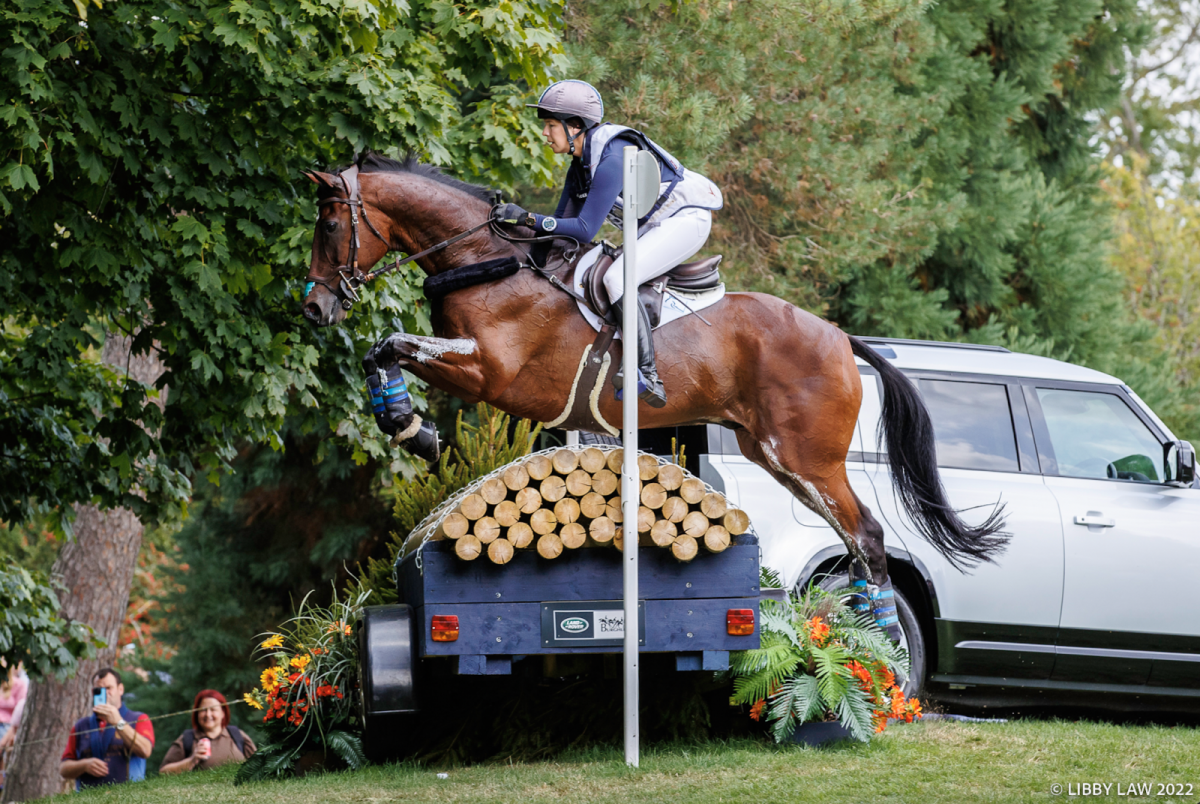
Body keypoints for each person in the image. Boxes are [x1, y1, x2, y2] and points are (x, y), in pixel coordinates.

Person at [492, 79, 724, 408]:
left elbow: (584, 230)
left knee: (617, 278)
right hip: (657, 224)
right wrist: (514, 255)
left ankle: (647, 374)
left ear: (575, 126)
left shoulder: (612, 156)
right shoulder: (581, 166)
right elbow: (559, 231)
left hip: (687, 218)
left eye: (549, 125)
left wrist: (527, 217)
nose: (544, 133)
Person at [60, 668, 154, 790]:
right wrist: (84, 765)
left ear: (120, 689)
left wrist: (118, 723)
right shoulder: (81, 726)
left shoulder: (138, 718)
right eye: (99, 690)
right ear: (92, 692)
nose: (105, 693)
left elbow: (145, 750)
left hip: (128, 797)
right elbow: (63, 769)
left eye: (109, 688)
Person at [159, 690, 255, 773]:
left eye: (213, 709)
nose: (208, 714)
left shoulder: (237, 735)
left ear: (223, 713)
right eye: (203, 710)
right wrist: (192, 760)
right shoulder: (187, 739)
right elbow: (163, 772)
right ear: (196, 714)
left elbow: (259, 766)